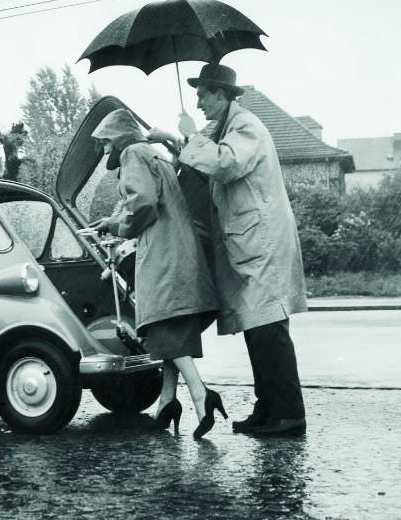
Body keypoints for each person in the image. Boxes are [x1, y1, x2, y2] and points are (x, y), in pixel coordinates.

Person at [149, 63, 307, 437]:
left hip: (261, 242)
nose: (199, 101)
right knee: (257, 327)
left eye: (204, 94)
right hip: (250, 242)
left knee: (268, 328)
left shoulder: (245, 125)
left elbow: (226, 163)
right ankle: (267, 409)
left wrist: (189, 135)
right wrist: (176, 141)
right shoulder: (226, 129)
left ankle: (288, 414)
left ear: (222, 95)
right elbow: (207, 167)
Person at [91, 108, 225, 439]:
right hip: (181, 249)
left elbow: (144, 205)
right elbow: (156, 199)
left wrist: (119, 227)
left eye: (106, 143)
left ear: (118, 138)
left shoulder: (133, 153)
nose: (104, 151)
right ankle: (167, 402)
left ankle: (200, 394)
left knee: (162, 326)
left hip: (162, 253)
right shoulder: (157, 154)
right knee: (171, 329)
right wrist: (113, 222)